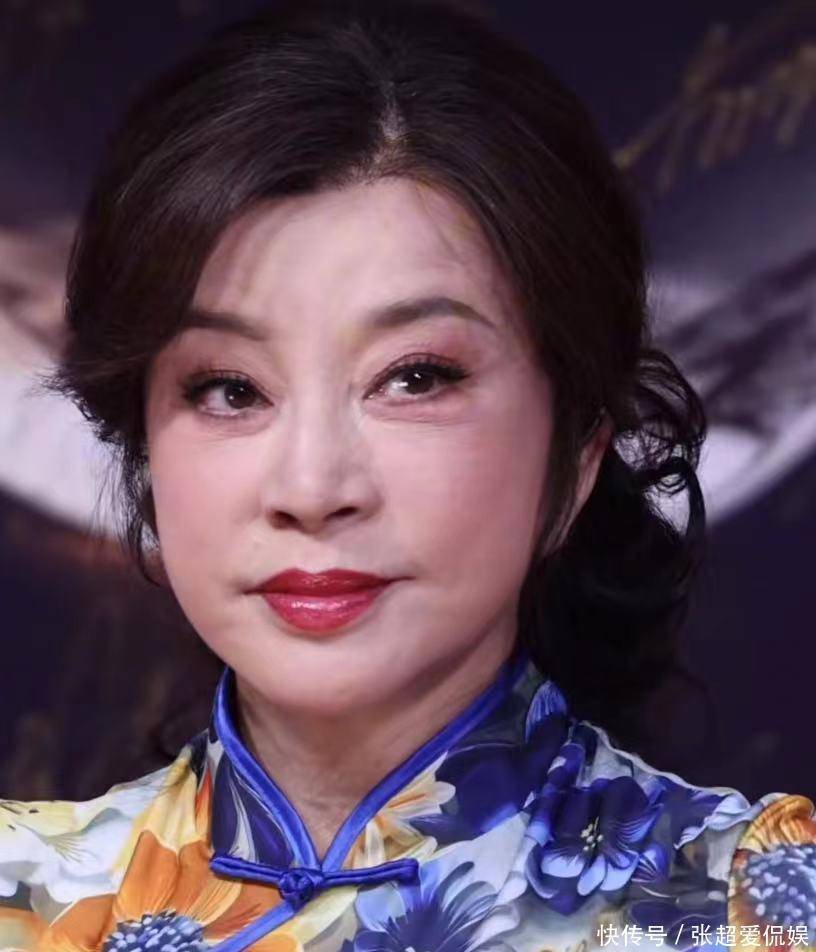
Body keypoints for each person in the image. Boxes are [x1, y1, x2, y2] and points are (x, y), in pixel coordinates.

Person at [2, 0, 814, 949]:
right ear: (144, 448)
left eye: (416, 378)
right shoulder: (25, 906)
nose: (311, 489)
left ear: (579, 452)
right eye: (230, 389)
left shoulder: (757, 913)